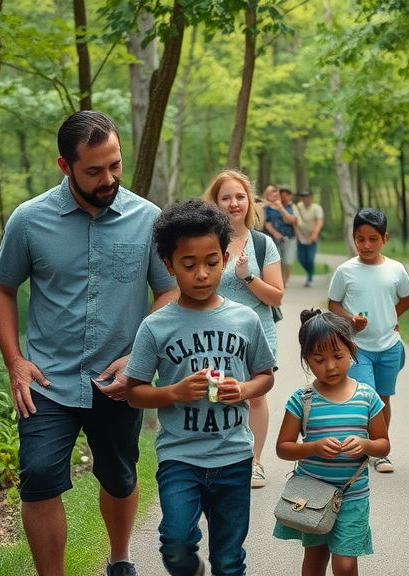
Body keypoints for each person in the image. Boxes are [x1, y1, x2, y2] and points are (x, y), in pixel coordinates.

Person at [0, 110, 178, 576]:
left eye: (115, 164)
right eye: (94, 170)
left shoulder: (147, 218)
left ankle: (119, 559)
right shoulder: (29, 221)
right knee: (37, 478)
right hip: (47, 380)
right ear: (64, 165)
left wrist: (139, 356)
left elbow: (169, 289)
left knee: (119, 474)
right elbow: (1, 287)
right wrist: (15, 361)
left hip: (118, 379)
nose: (108, 177)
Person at [123, 198, 276, 576]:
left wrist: (242, 390)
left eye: (211, 262)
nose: (202, 274)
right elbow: (134, 392)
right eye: (189, 265)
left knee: (228, 558)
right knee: (175, 543)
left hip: (234, 456)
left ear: (225, 260)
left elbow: (265, 376)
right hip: (180, 458)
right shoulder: (156, 326)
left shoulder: (244, 319)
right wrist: (174, 392)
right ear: (169, 265)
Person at [274, 309, 390, 576]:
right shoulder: (302, 400)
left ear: (352, 349)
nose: (330, 366)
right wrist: (313, 447)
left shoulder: (367, 397)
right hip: (312, 495)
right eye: (318, 359)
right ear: (306, 359)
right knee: (314, 561)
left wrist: (365, 445)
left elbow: (383, 444)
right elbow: (283, 448)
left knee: (346, 564)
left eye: (338, 356)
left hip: (353, 495)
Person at [200, 170, 284, 489]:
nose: (234, 203)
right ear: (216, 202)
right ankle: (218, 460)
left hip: (256, 333)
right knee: (214, 394)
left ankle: (255, 463)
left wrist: (248, 276)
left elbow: (276, 295)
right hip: (213, 333)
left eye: (240, 196)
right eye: (226, 198)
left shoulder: (262, 244)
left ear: (249, 201)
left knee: (256, 397)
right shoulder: (206, 240)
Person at [327, 208, 409, 473]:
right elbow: (333, 304)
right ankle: (360, 447)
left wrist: (391, 316)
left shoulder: (395, 269)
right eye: (360, 238)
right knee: (368, 396)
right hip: (358, 347)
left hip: (389, 346)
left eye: (373, 239)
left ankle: (380, 451)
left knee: (383, 398)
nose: (366, 245)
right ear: (353, 238)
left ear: (384, 238)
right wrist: (350, 321)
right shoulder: (345, 271)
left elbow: (407, 298)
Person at [262, 184, 299, 287]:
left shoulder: (287, 206)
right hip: (274, 239)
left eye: (274, 191)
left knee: (288, 261)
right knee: (277, 261)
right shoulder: (266, 208)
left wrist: (281, 208)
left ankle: (285, 280)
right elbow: (266, 223)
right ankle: (279, 282)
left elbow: (291, 220)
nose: (273, 194)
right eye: (270, 193)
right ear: (266, 195)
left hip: (289, 237)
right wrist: (275, 233)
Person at [294, 189, 324, 287]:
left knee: (310, 258)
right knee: (301, 259)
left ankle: (310, 276)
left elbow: (319, 222)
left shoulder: (316, 208)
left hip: (312, 236)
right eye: (303, 197)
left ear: (311, 198)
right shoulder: (299, 207)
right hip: (301, 236)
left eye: (307, 197)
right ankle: (310, 271)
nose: (305, 199)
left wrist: (315, 233)